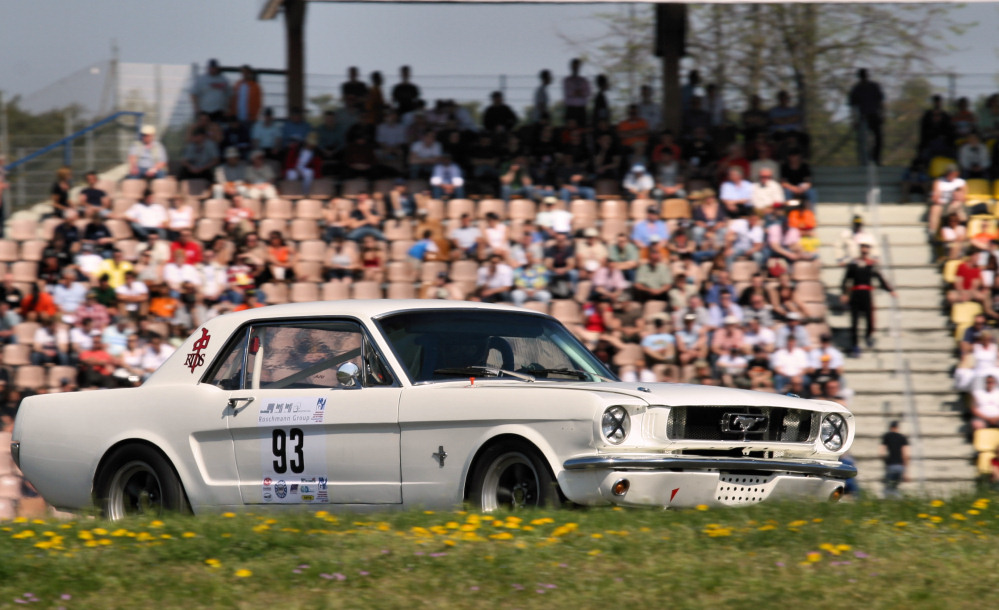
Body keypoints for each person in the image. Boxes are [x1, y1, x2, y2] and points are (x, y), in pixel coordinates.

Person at [841, 242, 896, 356]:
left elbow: (880, 279)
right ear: (860, 249)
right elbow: (845, 279)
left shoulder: (872, 265)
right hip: (855, 293)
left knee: (869, 318)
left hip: (866, 293)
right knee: (854, 321)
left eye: (866, 247)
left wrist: (890, 290)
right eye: (863, 247)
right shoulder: (854, 263)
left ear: (869, 250)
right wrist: (844, 293)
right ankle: (855, 345)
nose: (864, 249)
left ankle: (868, 335)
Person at [848, 68, 885, 166]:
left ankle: (876, 159)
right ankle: (864, 161)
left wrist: (882, 114)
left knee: (878, 139)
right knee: (863, 141)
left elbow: (881, 102)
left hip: (874, 116)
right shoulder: (856, 89)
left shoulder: (874, 87)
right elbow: (853, 107)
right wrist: (854, 120)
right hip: (863, 118)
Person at [879, 420, 909, 498]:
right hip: (900, 466)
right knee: (895, 487)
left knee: (888, 487)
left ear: (890, 427)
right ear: (897, 427)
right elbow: (905, 455)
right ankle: (898, 502)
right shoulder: (902, 438)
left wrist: (885, 463)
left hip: (891, 465)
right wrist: (906, 472)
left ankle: (889, 503)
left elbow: (882, 452)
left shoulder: (886, 436)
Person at [562, 58, 590, 126]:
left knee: (581, 128)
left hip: (581, 109)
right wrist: (579, 93)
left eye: (577, 66)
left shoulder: (583, 80)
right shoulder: (567, 80)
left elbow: (588, 92)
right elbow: (568, 92)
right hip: (571, 109)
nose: (576, 68)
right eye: (574, 66)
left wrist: (578, 93)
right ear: (571, 67)